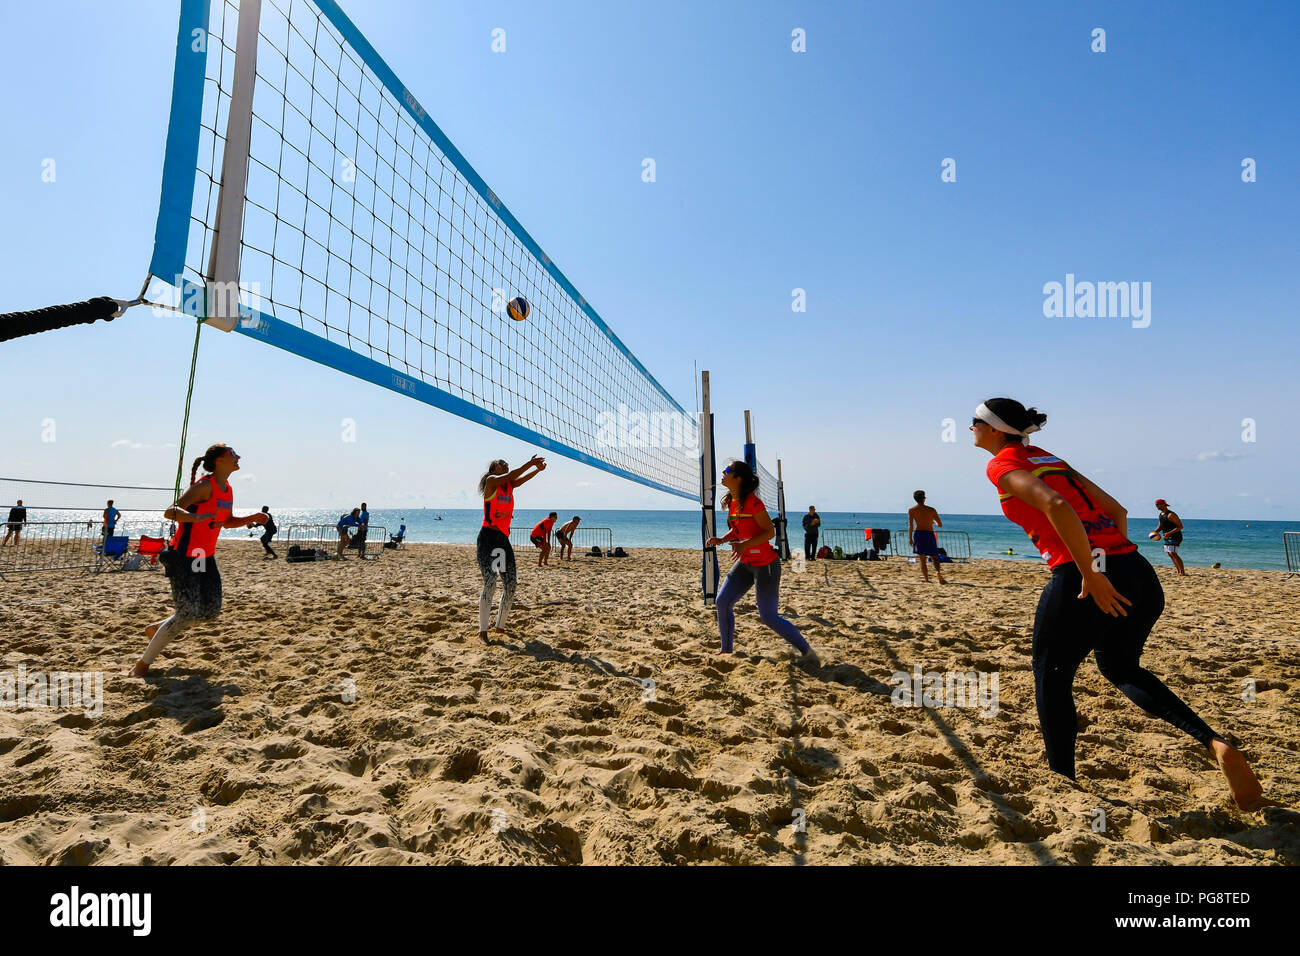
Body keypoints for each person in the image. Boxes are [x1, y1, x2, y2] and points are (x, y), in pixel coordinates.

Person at [971, 397, 1271, 810]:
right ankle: (1216, 744)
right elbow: (1117, 510)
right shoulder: (1049, 458)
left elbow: (1055, 506)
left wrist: (1092, 574)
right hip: (1137, 570)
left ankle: (1063, 783)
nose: (970, 428)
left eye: (976, 421)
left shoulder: (1003, 464)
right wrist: (1109, 559)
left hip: (1085, 578)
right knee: (1119, 666)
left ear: (995, 429)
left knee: (1051, 677)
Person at [130, 443, 267, 677]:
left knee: (210, 611)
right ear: (219, 461)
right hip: (184, 556)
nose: (238, 456)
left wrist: (252, 518)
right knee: (186, 614)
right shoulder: (205, 486)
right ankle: (142, 665)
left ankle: (158, 628)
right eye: (233, 454)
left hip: (204, 557)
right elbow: (170, 511)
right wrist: (195, 516)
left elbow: (227, 521)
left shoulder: (228, 489)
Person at [706, 461, 818, 666]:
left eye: (728, 471)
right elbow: (739, 530)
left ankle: (808, 652)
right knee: (722, 602)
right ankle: (726, 650)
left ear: (738, 478)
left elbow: (769, 532)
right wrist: (722, 540)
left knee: (768, 617)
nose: (723, 473)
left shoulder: (753, 503)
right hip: (746, 562)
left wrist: (744, 545)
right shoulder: (732, 501)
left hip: (766, 565)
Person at [478, 455, 546, 643]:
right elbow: (514, 475)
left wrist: (536, 471)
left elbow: (519, 480)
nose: (506, 464)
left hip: (502, 540)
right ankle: (483, 632)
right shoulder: (492, 481)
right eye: (502, 463)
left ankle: (500, 627)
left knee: (510, 584)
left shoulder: (509, 485)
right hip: (488, 538)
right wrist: (530, 463)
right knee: (490, 583)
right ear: (493, 468)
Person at [908, 490, 945, 584]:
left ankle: (927, 579)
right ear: (924, 499)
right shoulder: (931, 510)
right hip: (929, 533)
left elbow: (911, 525)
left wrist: (910, 538)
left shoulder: (912, 510)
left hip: (919, 534)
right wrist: (933, 522)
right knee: (934, 557)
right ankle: (937, 572)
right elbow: (940, 524)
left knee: (922, 558)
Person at [1153, 498, 1186, 576]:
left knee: (1173, 553)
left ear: (1163, 505)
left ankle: (1182, 571)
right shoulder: (1161, 515)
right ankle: (1179, 571)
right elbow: (1161, 526)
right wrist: (1155, 532)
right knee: (1170, 554)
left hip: (1176, 536)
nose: (1156, 506)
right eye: (1156, 505)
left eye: (1158, 504)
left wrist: (1169, 533)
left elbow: (1180, 527)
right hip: (1167, 537)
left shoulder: (1171, 515)